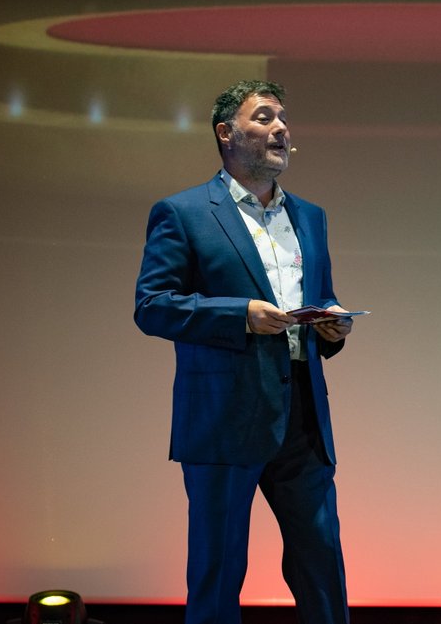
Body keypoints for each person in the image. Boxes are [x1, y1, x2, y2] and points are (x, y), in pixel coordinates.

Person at [134, 79, 353, 624]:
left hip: (302, 415)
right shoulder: (183, 213)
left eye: (283, 118)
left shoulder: (311, 216)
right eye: (264, 117)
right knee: (218, 568)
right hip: (224, 419)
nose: (281, 128)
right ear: (226, 133)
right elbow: (153, 306)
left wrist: (331, 324)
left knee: (321, 563)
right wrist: (239, 315)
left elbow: (316, 297)